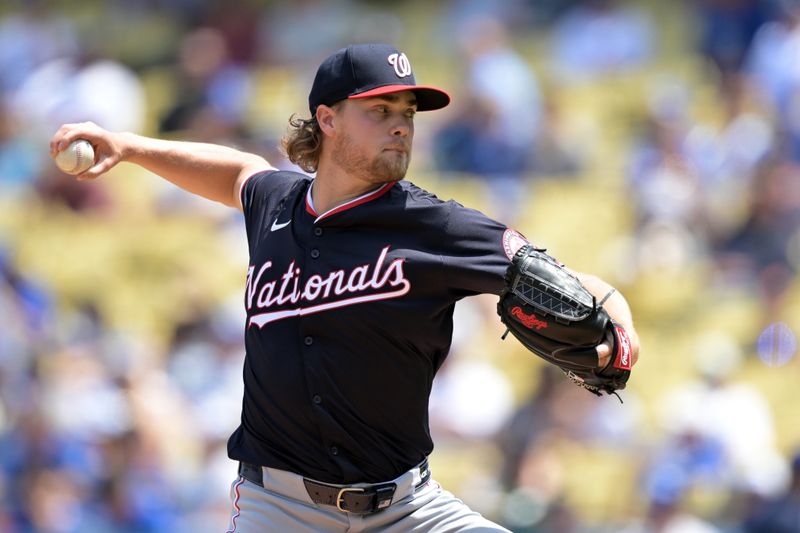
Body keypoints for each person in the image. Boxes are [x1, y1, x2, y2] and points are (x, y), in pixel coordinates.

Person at [50, 42, 640, 532]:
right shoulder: (276, 204)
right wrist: (128, 147)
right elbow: (236, 172)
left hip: (407, 509)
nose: (400, 127)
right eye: (379, 112)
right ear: (327, 120)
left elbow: (553, 275)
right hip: (277, 509)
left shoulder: (434, 225)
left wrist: (619, 315)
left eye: (407, 113)